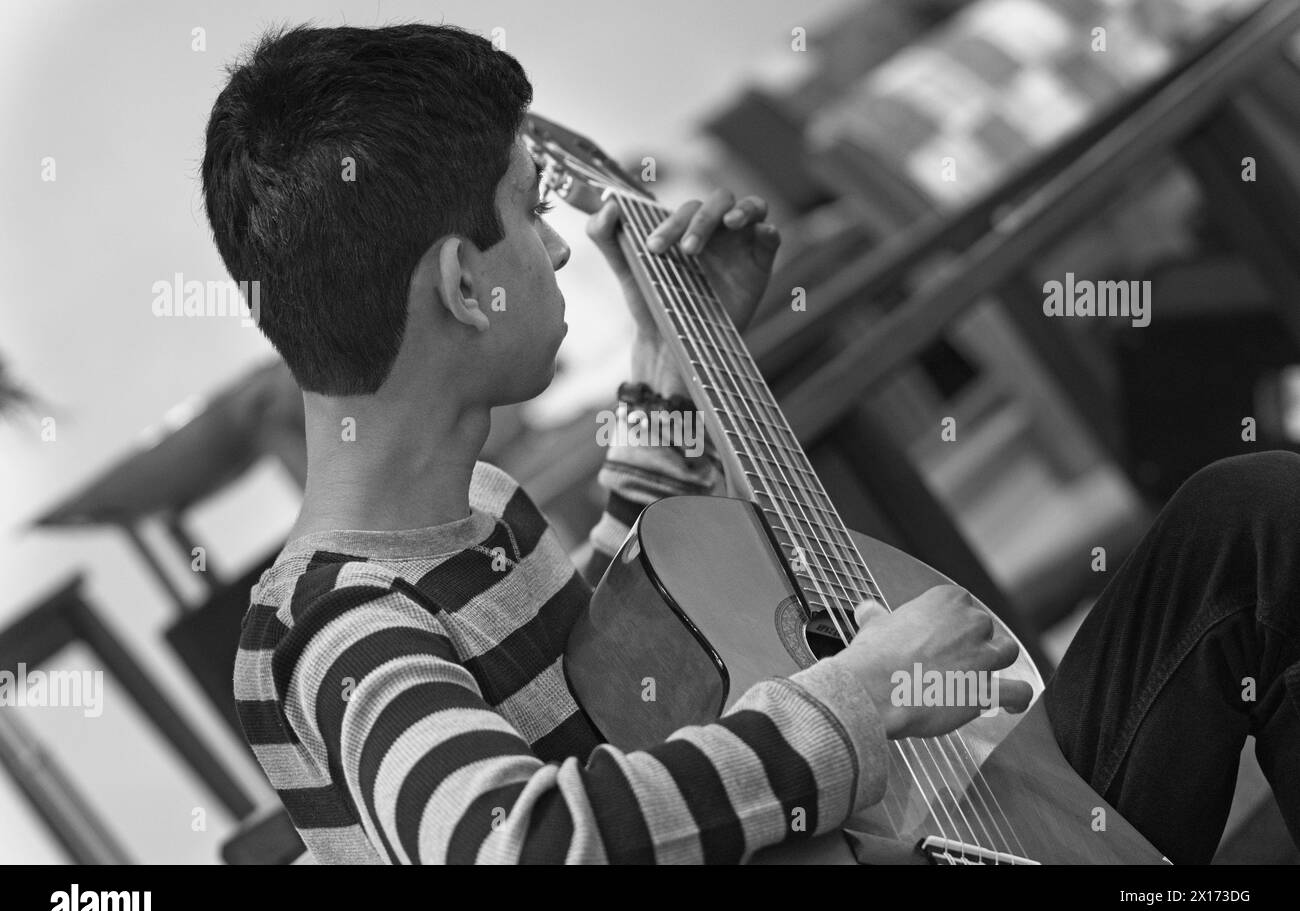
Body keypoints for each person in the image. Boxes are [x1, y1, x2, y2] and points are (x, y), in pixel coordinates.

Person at [202, 23, 1299, 865]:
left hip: (900, 835)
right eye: (530, 218)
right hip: (865, 829)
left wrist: (675, 347)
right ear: (461, 285)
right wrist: (863, 695)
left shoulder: (480, 510)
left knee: (1247, 522)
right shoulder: (335, 624)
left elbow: (634, 656)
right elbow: (517, 844)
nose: (554, 249)